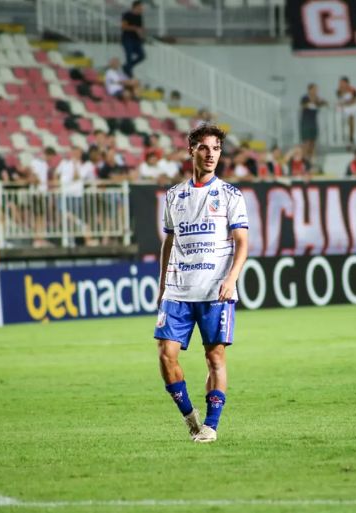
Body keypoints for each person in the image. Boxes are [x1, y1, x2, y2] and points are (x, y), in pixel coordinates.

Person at [155, 124, 249, 444]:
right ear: (191, 151)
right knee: (166, 355)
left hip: (215, 290)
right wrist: (162, 285)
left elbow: (242, 242)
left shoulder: (230, 195)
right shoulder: (174, 195)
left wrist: (232, 278)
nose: (211, 154)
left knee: (215, 357)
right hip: (178, 289)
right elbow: (169, 243)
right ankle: (190, 417)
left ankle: (211, 425)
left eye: (216, 149)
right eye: (204, 148)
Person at [299, 83, 327, 163]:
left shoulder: (318, 99)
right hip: (306, 123)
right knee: (306, 142)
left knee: (313, 142)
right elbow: (304, 105)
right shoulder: (305, 98)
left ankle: (311, 160)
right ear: (309, 90)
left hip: (313, 123)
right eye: (314, 89)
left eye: (316, 89)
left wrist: (320, 101)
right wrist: (315, 101)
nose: (316, 91)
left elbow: (325, 103)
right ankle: (304, 159)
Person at [120, 0, 145, 78]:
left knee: (142, 56)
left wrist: (141, 34)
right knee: (129, 56)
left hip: (136, 39)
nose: (142, 9)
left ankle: (127, 67)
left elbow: (140, 28)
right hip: (128, 39)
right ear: (135, 7)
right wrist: (135, 28)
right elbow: (123, 27)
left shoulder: (139, 16)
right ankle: (129, 72)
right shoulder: (127, 15)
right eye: (140, 7)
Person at [336, 76, 356, 150]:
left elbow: (354, 100)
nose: (341, 84)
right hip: (343, 111)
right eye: (340, 83)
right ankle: (347, 142)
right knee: (344, 127)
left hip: (351, 110)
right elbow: (340, 100)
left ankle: (351, 140)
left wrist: (345, 103)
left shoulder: (353, 90)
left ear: (347, 83)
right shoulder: (339, 91)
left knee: (351, 124)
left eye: (342, 83)